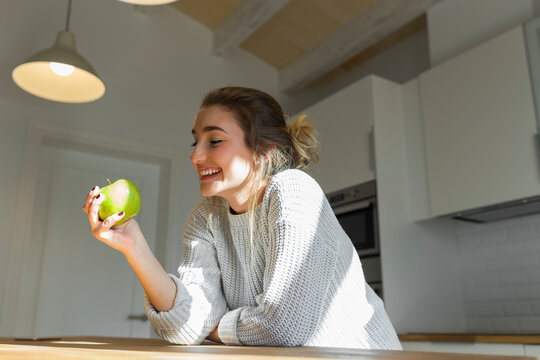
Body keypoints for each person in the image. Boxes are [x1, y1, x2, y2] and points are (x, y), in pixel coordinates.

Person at [82, 87, 402, 349]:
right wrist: (133, 246)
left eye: (215, 141)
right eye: (196, 141)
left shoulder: (294, 191)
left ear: (262, 150)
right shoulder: (206, 218)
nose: (195, 156)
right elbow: (185, 326)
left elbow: (285, 327)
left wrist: (213, 327)